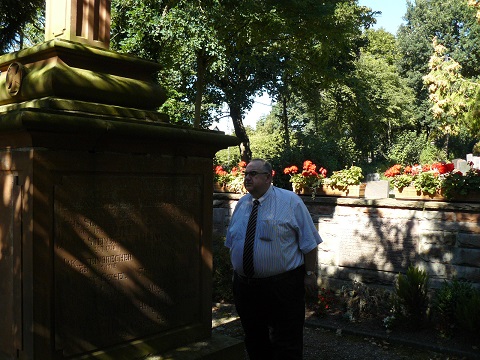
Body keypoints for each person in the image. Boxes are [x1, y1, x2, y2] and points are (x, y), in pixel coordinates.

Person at [225, 158, 322, 360]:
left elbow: (309, 242)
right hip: (246, 287)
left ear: (268, 177)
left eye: (253, 174)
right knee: (254, 338)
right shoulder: (242, 204)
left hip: (282, 286)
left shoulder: (290, 201)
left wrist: (310, 274)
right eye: (246, 174)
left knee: (287, 341)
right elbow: (232, 241)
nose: (247, 178)